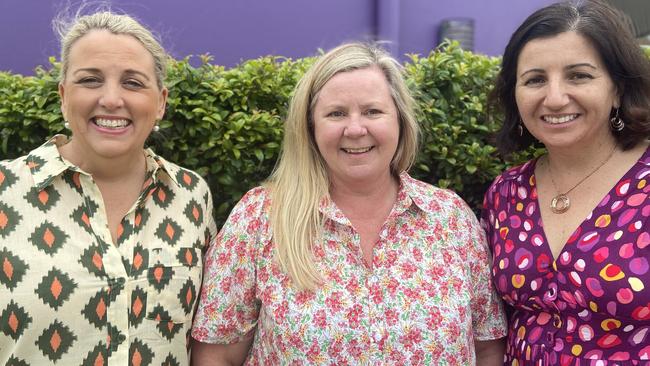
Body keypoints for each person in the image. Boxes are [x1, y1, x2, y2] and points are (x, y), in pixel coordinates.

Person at [191, 42, 507, 365]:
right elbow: (217, 355)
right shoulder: (260, 219)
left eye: (372, 111)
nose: (356, 129)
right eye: (336, 113)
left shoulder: (450, 219)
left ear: (399, 119)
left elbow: (487, 347)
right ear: (311, 127)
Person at [0, 10, 216, 365]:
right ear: (63, 94)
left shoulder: (191, 194)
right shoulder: (7, 191)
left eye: (133, 83)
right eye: (90, 80)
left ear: (160, 102)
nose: (112, 99)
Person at [482, 0, 650, 364]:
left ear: (618, 88)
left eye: (579, 75)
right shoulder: (506, 193)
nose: (555, 98)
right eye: (535, 79)